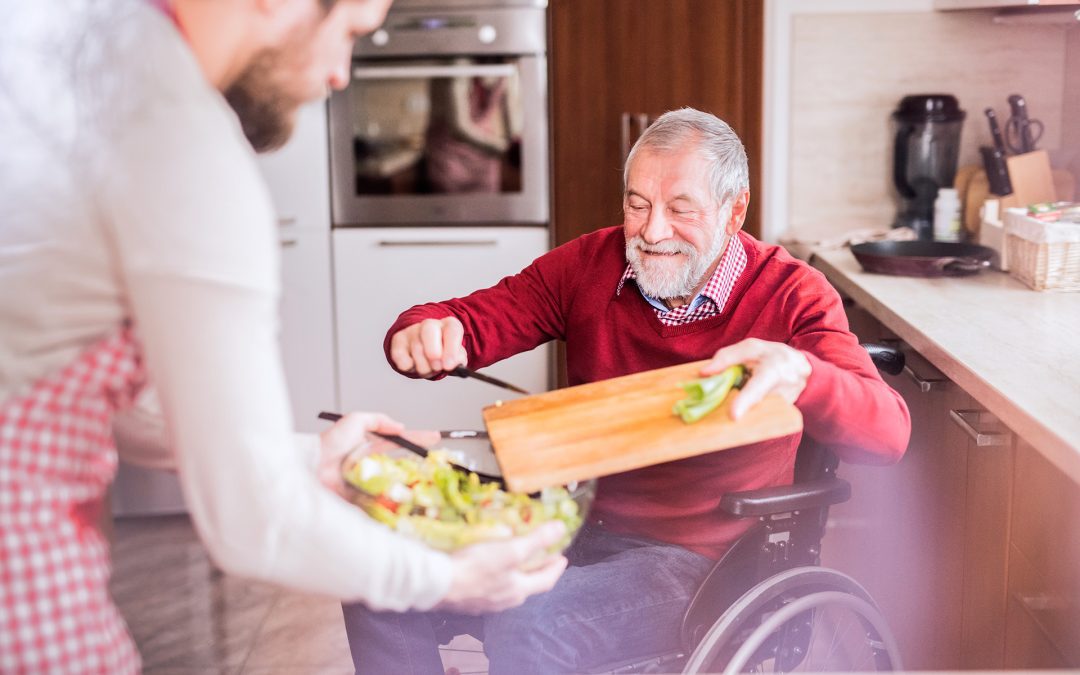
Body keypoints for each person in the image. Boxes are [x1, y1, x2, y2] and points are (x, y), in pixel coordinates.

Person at [0, 0, 566, 672]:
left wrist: (307, 458)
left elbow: (93, 392)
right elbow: (254, 520)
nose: (341, 74)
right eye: (349, 32)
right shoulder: (181, 142)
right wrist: (449, 578)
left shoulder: (53, 40)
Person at [342, 108, 912, 674]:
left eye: (680, 209)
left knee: (531, 621)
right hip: (573, 520)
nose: (652, 231)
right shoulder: (588, 265)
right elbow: (471, 319)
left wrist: (802, 375)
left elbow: (888, 434)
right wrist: (426, 331)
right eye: (637, 204)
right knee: (376, 567)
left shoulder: (792, 294)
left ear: (734, 210)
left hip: (702, 560)